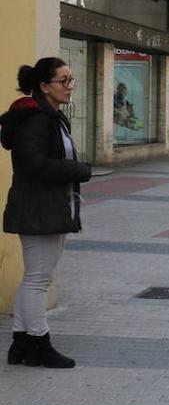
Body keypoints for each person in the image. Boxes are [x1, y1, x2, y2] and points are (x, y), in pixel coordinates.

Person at [2, 57, 92, 369]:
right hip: (38, 208)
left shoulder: (50, 116)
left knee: (36, 276)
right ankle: (38, 343)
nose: (69, 87)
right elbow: (34, 164)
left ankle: (21, 343)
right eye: (63, 81)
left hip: (49, 207)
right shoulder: (36, 119)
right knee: (39, 278)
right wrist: (78, 170)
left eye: (71, 80)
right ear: (44, 86)